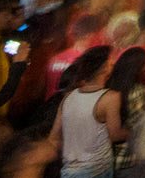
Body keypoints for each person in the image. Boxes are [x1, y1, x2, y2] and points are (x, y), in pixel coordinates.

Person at [51, 45, 128, 178]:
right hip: (96, 170)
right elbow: (115, 134)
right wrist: (135, 132)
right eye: (111, 61)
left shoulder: (68, 96)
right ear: (105, 67)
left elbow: (53, 137)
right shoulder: (110, 97)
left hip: (70, 170)